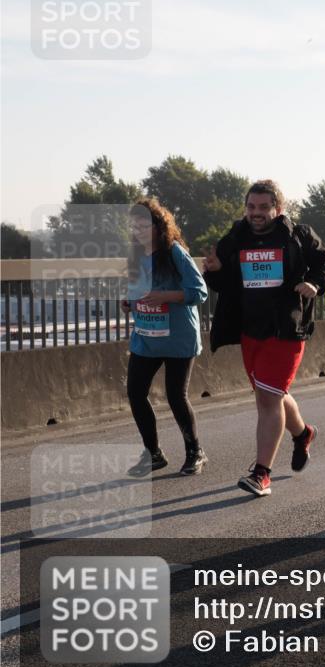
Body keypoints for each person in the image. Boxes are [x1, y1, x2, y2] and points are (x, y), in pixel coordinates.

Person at [203, 179, 325, 497]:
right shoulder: (237, 236)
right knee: (271, 394)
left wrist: (314, 284)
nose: (256, 213)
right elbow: (225, 282)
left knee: (267, 399)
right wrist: (215, 270)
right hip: (250, 329)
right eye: (251, 207)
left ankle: (261, 474)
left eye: (263, 207)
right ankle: (302, 433)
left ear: (278, 208)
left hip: (286, 328)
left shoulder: (298, 235)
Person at [122, 198, 208, 477]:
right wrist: (129, 302)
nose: (139, 231)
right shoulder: (136, 257)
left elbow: (199, 292)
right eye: (135, 226)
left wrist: (165, 296)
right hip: (146, 337)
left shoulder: (174, 253)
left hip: (178, 338)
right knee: (136, 393)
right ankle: (154, 453)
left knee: (176, 396)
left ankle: (195, 451)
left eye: (144, 225)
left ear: (159, 227)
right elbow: (140, 292)